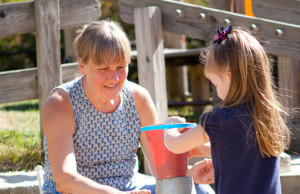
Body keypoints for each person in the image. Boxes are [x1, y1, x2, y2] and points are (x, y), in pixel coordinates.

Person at [42, 20, 213, 194]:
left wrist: (190, 175)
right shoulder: (61, 103)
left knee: (200, 190)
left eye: (121, 67)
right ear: (82, 66)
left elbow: (160, 169)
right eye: (104, 68)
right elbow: (65, 180)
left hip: (130, 186)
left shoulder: (138, 98)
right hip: (76, 191)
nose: (114, 78)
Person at [164, 26, 290, 194]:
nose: (216, 90)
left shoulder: (219, 118)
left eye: (215, 83)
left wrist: (170, 127)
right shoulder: (267, 115)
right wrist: (206, 150)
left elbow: (176, 145)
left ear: (229, 76)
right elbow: (244, 154)